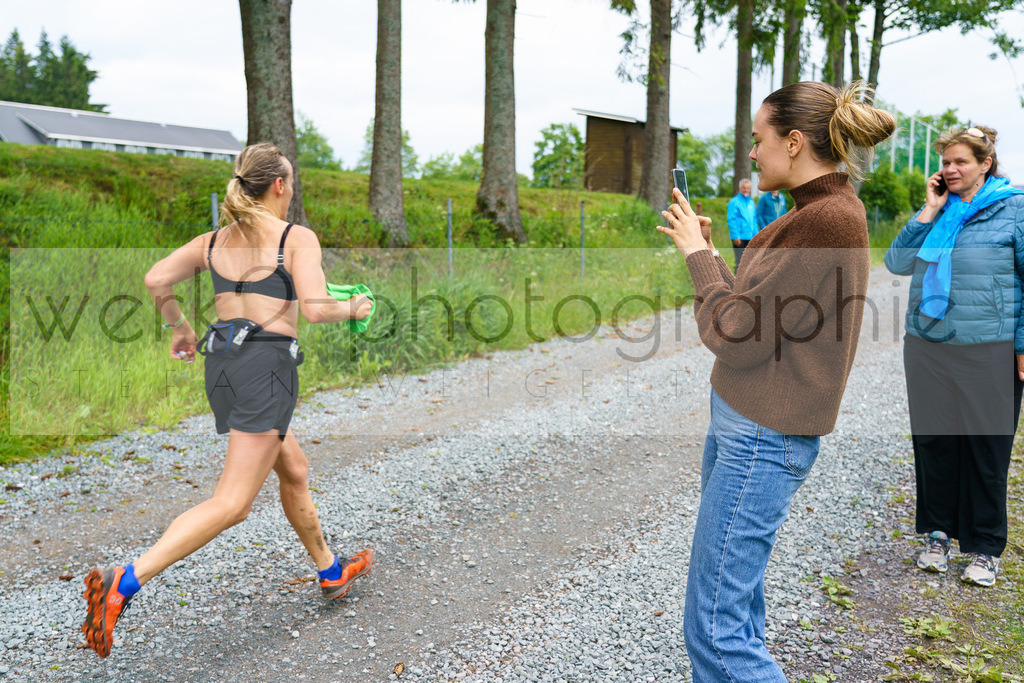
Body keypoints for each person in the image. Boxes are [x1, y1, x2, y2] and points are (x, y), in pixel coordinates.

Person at [81, 143, 376, 658]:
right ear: (280, 186)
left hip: (223, 364)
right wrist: (356, 306)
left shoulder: (213, 240)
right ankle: (122, 582)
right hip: (266, 369)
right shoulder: (295, 237)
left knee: (294, 468)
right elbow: (316, 309)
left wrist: (181, 329)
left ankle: (331, 569)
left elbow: (156, 279)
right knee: (233, 503)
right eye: (291, 182)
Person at [657, 81, 894, 681]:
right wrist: (710, 252)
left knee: (716, 628)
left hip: (763, 435)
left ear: (793, 141)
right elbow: (760, 306)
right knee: (734, 610)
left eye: (758, 141)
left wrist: (696, 259)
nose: (753, 156)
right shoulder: (815, 213)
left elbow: (737, 334)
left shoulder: (827, 220)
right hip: (750, 425)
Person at [883, 126, 1024, 587]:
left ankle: (984, 548)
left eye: (961, 161)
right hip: (928, 345)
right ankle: (938, 536)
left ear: (986, 163)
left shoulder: (1014, 208)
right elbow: (896, 263)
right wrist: (930, 208)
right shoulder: (939, 209)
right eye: (946, 161)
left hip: (991, 350)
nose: (950, 169)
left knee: (987, 447)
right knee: (935, 443)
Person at [727, 178, 756, 268]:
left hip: (751, 237)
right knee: (740, 264)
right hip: (740, 238)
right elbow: (731, 220)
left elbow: (754, 220)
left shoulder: (751, 202)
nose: (746, 190)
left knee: (751, 263)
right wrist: (735, 236)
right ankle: (737, 282)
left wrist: (756, 235)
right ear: (740, 188)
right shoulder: (734, 202)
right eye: (744, 188)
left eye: (748, 188)